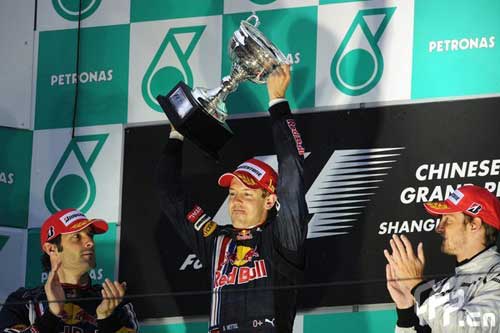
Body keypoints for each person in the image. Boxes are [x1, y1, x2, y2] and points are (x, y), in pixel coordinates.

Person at [156, 64, 308, 332]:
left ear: (270, 200)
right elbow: (169, 195)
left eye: (248, 194)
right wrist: (176, 134)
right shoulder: (216, 240)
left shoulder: (283, 238)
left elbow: (292, 173)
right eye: (232, 192)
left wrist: (277, 103)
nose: (236, 201)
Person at [0, 208, 139, 332]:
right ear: (51, 249)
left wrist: (107, 320)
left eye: (90, 235)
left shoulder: (113, 302)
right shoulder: (23, 301)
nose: (90, 242)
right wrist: (51, 316)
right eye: (76, 236)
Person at [384, 185, 500, 332]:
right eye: (441, 220)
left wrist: (416, 285)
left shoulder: (495, 276)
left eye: (448, 220)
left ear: (474, 225)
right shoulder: (440, 288)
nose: (439, 228)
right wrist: (406, 312)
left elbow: (465, 329)